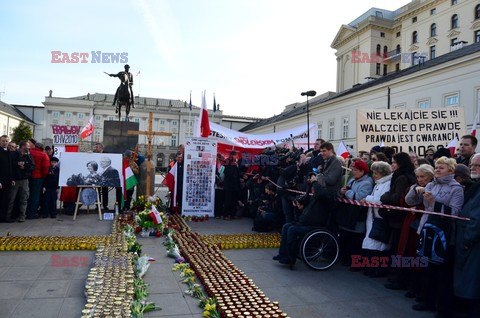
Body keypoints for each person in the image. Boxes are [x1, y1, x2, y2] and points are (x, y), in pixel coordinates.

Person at [412, 156, 464, 317]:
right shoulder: (430, 184)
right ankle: (427, 300)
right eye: (436, 167)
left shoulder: (457, 189)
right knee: (428, 268)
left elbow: (455, 213)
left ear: (451, 170)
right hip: (427, 229)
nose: (437, 170)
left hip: (444, 234)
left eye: (441, 167)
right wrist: (415, 191)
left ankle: (443, 308)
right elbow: (412, 201)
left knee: (442, 273)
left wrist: (434, 202)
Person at [273, 177, 333, 267]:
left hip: (315, 226)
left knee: (292, 230)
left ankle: (291, 257)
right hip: (306, 222)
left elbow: (321, 193)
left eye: (314, 187)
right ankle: (283, 254)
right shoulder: (315, 197)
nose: (313, 190)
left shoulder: (325, 196)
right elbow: (307, 197)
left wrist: (315, 181)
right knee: (286, 226)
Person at [454, 153, 480, 317]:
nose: (472, 167)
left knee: (472, 282)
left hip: (473, 242)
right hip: (469, 239)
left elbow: (477, 218)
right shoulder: (476, 185)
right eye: (471, 164)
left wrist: (467, 239)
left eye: (476, 165)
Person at [337, 159, 374, 268]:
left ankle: (356, 263)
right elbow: (345, 192)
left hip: (357, 217)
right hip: (348, 215)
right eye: (353, 169)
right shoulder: (352, 180)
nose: (353, 172)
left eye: (356, 170)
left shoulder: (367, 183)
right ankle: (346, 259)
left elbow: (358, 197)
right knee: (346, 239)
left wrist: (347, 192)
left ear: (363, 171)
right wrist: (341, 192)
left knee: (355, 241)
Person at [361, 161, 393, 277]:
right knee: (372, 245)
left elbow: (381, 200)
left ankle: (378, 270)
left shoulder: (387, 184)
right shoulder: (378, 183)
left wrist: (368, 198)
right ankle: (371, 268)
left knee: (378, 246)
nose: (374, 175)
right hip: (373, 217)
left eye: (376, 173)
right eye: (373, 172)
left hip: (379, 218)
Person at [7, 141, 36, 222]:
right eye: (27, 145)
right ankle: (8, 216)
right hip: (15, 180)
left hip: (24, 180)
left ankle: (22, 216)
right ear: (22, 146)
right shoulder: (14, 154)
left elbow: (33, 166)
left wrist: (25, 167)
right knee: (11, 199)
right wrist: (17, 164)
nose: (29, 147)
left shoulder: (29, 156)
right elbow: (9, 165)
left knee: (24, 199)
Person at [26, 138, 50, 219]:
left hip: (28, 176)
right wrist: (43, 176)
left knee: (27, 195)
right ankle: (32, 213)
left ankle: (25, 212)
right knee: (35, 196)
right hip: (38, 177)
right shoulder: (43, 155)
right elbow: (45, 167)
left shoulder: (30, 152)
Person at [223, 151, 240, 220]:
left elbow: (237, 173)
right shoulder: (227, 162)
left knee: (234, 201)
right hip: (229, 185)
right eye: (236, 155)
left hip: (235, 185)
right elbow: (227, 173)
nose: (236, 157)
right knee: (228, 201)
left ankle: (233, 214)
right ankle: (226, 215)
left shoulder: (235, 163)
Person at [0, 135, 14, 222]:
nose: (5, 142)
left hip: (8, 180)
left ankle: (4, 217)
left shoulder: (8, 152)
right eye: (3, 141)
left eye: (6, 141)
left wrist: (12, 179)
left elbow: (10, 167)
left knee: (6, 200)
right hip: (1, 181)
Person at [94, 143, 110, 210]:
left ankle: (105, 205)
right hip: (97, 175)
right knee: (97, 190)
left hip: (105, 175)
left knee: (105, 191)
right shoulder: (94, 154)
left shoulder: (106, 154)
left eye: (97, 147)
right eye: (96, 147)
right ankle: (98, 205)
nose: (96, 148)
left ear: (101, 148)